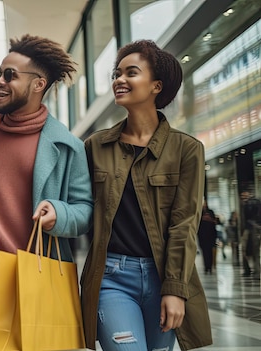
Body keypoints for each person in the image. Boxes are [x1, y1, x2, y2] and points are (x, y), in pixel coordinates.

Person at [0, 34, 93, 350]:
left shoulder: (68, 147)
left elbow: (85, 209)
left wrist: (59, 213)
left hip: (40, 268)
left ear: (38, 85)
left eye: (10, 75)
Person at [81, 40, 212, 350]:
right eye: (116, 73)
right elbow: (81, 207)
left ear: (156, 85)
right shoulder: (95, 147)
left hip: (162, 276)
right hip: (111, 278)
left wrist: (175, 289)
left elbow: (184, 225)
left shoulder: (187, 150)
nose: (119, 80)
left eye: (131, 72)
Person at [241, 191, 261, 279]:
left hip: (251, 229)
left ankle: (249, 270)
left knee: (245, 250)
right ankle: (256, 271)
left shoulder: (249, 204)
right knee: (255, 251)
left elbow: (248, 218)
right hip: (256, 228)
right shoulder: (257, 202)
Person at [198, 208, 218, 274]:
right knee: (207, 254)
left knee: (207, 254)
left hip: (207, 239)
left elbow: (199, 233)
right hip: (206, 239)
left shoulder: (210, 213)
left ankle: (208, 267)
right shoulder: (201, 214)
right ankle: (208, 267)